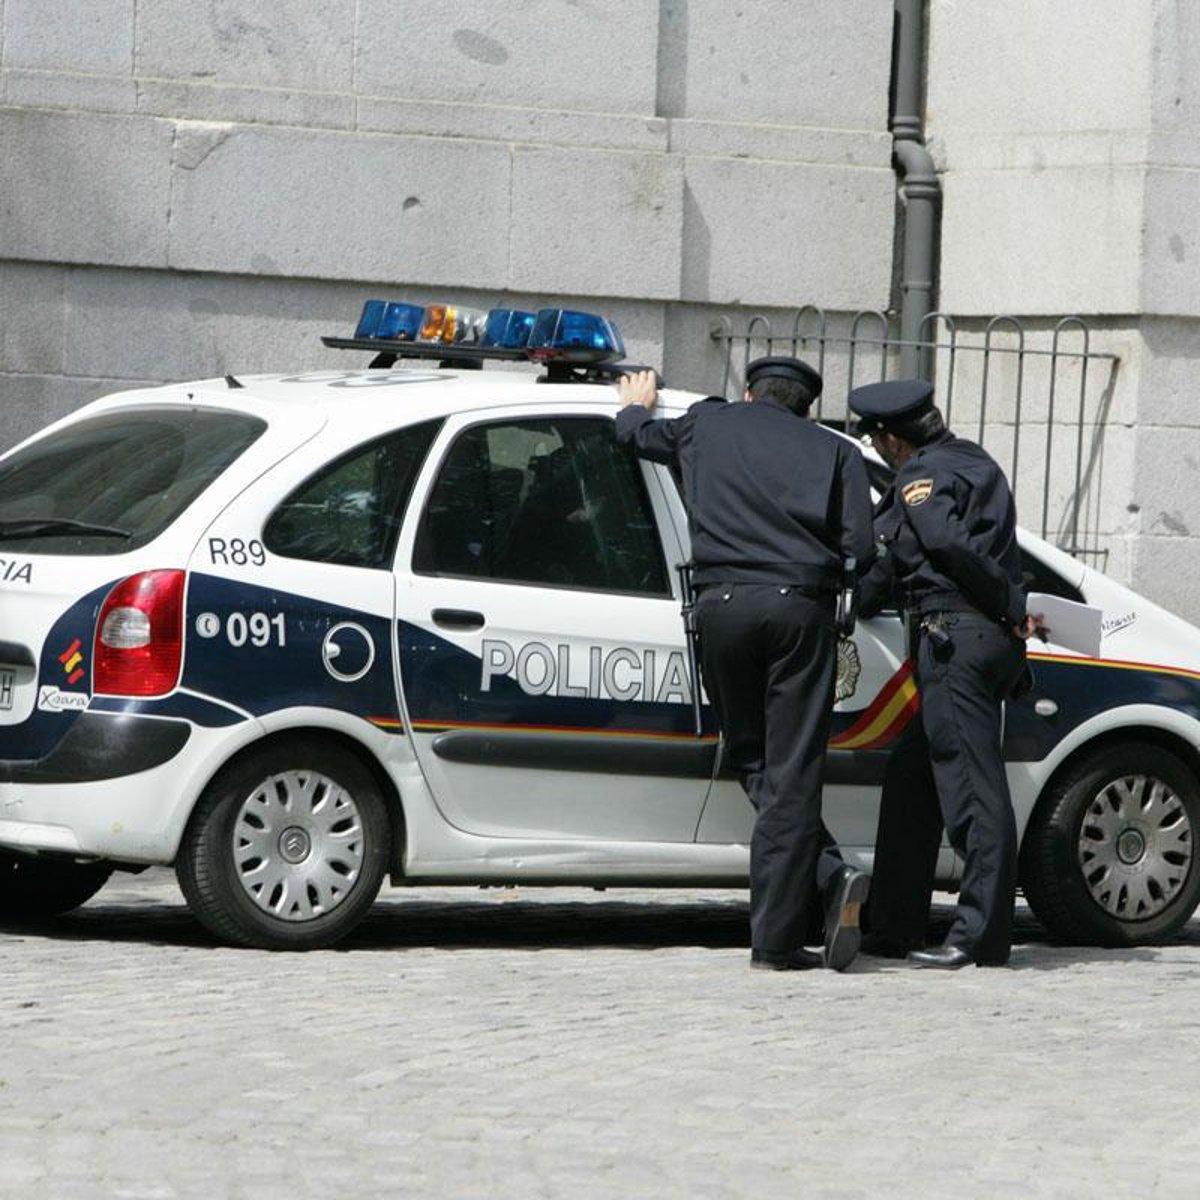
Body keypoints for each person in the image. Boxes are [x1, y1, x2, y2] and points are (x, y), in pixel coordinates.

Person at [615, 358, 874, 971]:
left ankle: (826, 876)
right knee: (791, 771)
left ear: (750, 394)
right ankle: (780, 937)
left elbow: (636, 437)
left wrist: (632, 407)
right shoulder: (836, 452)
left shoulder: (705, 425)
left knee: (751, 757)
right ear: (807, 408)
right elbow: (860, 550)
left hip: (721, 609)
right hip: (798, 613)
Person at [848, 379, 1040, 969]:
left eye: (876, 442)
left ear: (892, 439)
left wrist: (1010, 605)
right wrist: (854, 601)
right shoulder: (976, 462)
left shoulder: (921, 476)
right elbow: (897, 558)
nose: (878, 451)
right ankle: (893, 926)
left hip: (955, 639)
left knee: (973, 793)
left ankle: (980, 936)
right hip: (977, 640)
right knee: (913, 780)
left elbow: (945, 545)